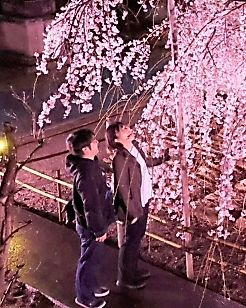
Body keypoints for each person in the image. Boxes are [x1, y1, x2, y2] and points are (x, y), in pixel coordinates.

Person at [106, 122, 169, 289]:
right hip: (135, 206)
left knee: (137, 237)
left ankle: (133, 270)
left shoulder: (134, 148)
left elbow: (145, 162)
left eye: (127, 127)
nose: (129, 129)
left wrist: (163, 159)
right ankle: (125, 277)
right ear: (116, 138)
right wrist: (133, 212)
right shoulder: (120, 158)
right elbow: (123, 187)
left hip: (144, 199)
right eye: (123, 129)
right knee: (131, 240)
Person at [65, 129, 114, 308]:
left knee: (93, 258)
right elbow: (90, 205)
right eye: (94, 142)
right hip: (90, 226)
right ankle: (84, 297)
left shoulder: (89, 164)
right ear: (85, 149)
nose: (97, 144)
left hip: (91, 223)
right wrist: (98, 230)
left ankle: (91, 286)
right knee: (88, 259)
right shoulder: (86, 173)